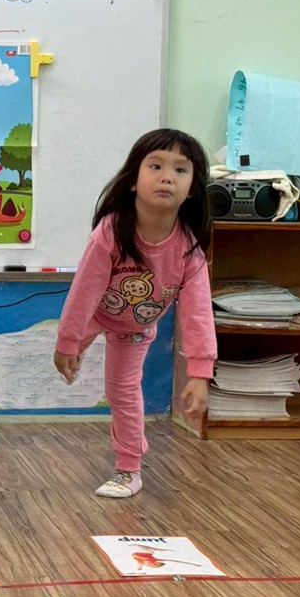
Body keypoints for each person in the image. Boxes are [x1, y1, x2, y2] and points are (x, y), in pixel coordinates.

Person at [53, 128, 216, 498]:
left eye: (180, 170)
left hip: (136, 327)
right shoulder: (110, 232)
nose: (167, 177)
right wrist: (69, 342)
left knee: (122, 391)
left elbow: (197, 315)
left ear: (192, 189)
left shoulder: (189, 251)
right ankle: (75, 348)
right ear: (132, 181)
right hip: (96, 313)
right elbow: (84, 292)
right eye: (155, 166)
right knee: (69, 351)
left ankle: (128, 469)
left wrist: (199, 373)